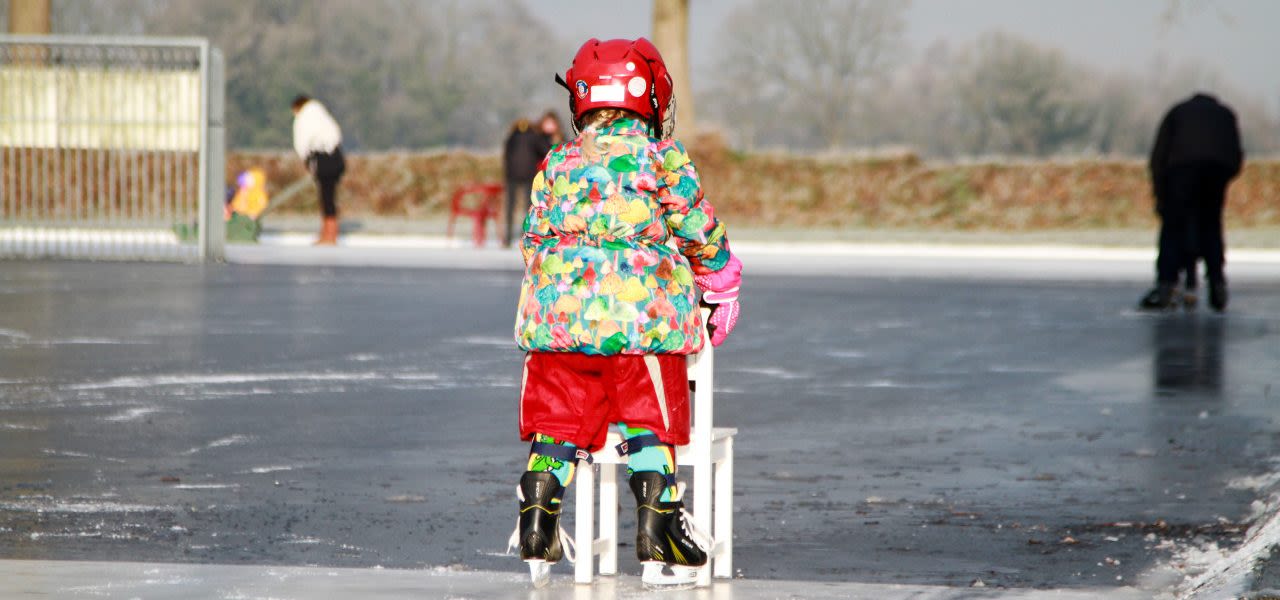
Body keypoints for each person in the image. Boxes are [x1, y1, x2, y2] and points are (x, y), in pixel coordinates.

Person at [508, 37, 743, 589]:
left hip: (558, 330)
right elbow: (693, 225)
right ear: (651, 100)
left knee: (558, 415)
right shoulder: (662, 159)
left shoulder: (558, 160)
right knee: (647, 412)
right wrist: (721, 275)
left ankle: (538, 513)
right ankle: (659, 524)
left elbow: (533, 236)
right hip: (641, 329)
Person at [1140, 92, 1243, 312]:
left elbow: (1159, 156)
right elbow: (1235, 154)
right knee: (1211, 224)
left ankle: (1166, 285)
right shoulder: (1226, 114)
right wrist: (1224, 176)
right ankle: (1216, 280)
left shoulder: (1177, 112)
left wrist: (1160, 197)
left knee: (1173, 225)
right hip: (1217, 169)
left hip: (1181, 169)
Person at [291, 94, 346, 245]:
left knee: (326, 197)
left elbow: (302, 141)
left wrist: (306, 160)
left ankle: (328, 235)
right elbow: (336, 134)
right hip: (337, 157)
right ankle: (331, 233)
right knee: (330, 196)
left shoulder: (303, 117)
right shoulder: (321, 113)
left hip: (323, 159)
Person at [502, 118, 552, 247]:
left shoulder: (512, 137)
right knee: (529, 207)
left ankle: (507, 238)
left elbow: (506, 155)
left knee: (510, 206)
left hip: (512, 174)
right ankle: (528, 235)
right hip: (529, 174)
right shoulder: (534, 137)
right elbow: (545, 151)